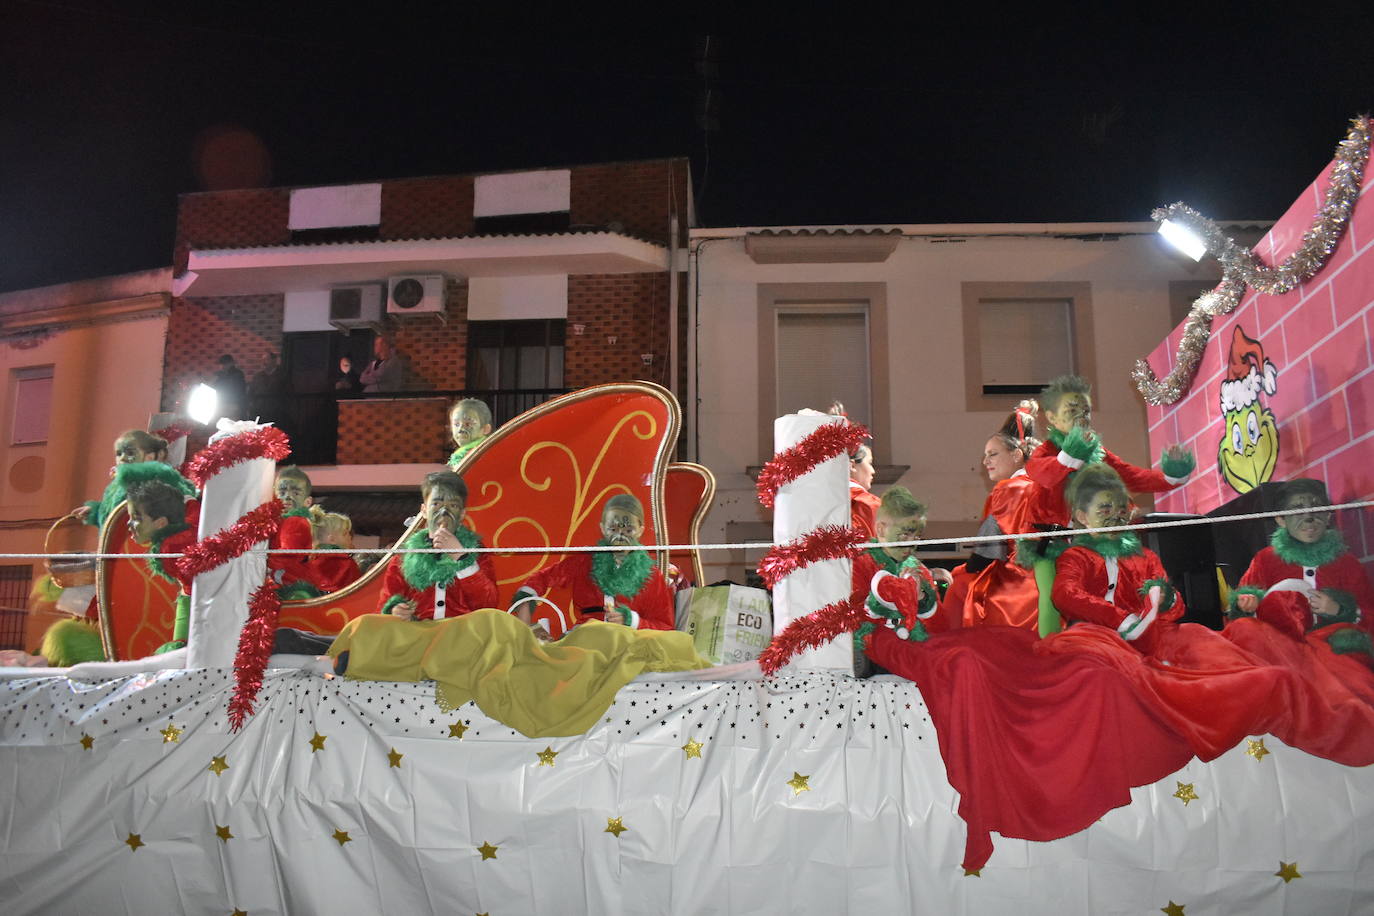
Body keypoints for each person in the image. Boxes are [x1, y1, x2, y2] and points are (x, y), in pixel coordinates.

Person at [1226, 479, 1373, 656]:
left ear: (1327, 516)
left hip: (1332, 655)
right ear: (1281, 519)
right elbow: (1239, 614)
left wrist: (1339, 610)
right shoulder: (1265, 560)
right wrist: (1246, 605)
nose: (1309, 518)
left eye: (1316, 508)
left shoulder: (1347, 563)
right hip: (1281, 652)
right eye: (1297, 510)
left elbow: (1369, 617)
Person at [510, 493, 676, 631]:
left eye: (628, 530)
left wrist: (631, 621)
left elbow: (665, 627)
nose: (620, 535)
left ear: (640, 530)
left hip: (630, 643)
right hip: (586, 638)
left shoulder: (652, 575)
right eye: (613, 529)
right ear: (602, 528)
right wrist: (525, 606)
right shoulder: (585, 561)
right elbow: (542, 578)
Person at [944, 401, 1043, 629]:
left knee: (961, 583)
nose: (985, 461)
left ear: (1016, 455)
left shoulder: (1008, 489)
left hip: (1020, 583)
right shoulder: (1042, 485)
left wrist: (964, 570)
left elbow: (986, 554)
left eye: (993, 454)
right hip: (1047, 576)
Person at [125, 479, 199, 654]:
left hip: (198, 604)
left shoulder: (171, 549)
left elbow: (192, 592)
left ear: (160, 523)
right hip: (190, 598)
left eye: (136, 518)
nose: (129, 524)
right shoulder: (188, 522)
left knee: (180, 652)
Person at [270, 467, 318, 597]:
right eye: (282, 492)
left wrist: (262, 562)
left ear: (307, 502)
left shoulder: (295, 521)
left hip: (292, 587)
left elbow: (286, 556)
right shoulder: (281, 521)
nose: (288, 497)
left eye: (296, 493)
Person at [306, 507, 362, 594]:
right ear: (331, 539)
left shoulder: (310, 561)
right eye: (345, 534)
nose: (349, 537)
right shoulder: (345, 563)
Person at [847, 443, 883, 540]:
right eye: (870, 463)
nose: (873, 471)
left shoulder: (819, 499)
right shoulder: (869, 503)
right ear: (852, 466)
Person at [447, 398, 494, 467]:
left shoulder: (475, 454)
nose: (460, 429)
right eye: (456, 424)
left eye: (468, 424)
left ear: (485, 429)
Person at [212, 354, 248, 420]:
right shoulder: (218, 374)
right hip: (221, 403)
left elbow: (238, 390)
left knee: (232, 423)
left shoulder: (237, 374)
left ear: (231, 363)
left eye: (224, 364)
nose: (222, 366)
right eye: (221, 364)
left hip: (233, 404)